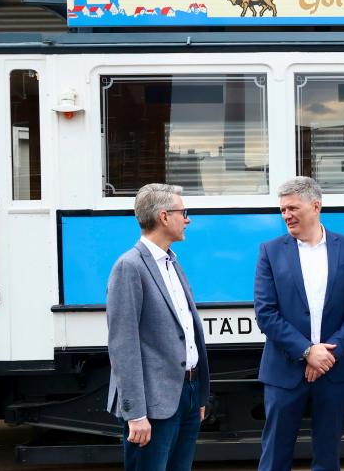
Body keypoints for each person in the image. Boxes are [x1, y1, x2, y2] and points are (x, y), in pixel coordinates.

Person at [254, 176, 344, 471]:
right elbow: (266, 313)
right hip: (284, 370)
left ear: (315, 205)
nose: (286, 216)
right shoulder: (271, 251)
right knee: (274, 457)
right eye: (282, 210)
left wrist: (329, 353)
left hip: (336, 368)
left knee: (328, 455)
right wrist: (308, 351)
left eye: (292, 208)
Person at [106, 183, 210, 471]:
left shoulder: (172, 262)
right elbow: (122, 345)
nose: (187, 219)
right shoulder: (129, 266)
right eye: (183, 212)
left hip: (187, 394)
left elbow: (186, 331)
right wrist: (135, 413)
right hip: (153, 404)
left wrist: (197, 395)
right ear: (164, 217)